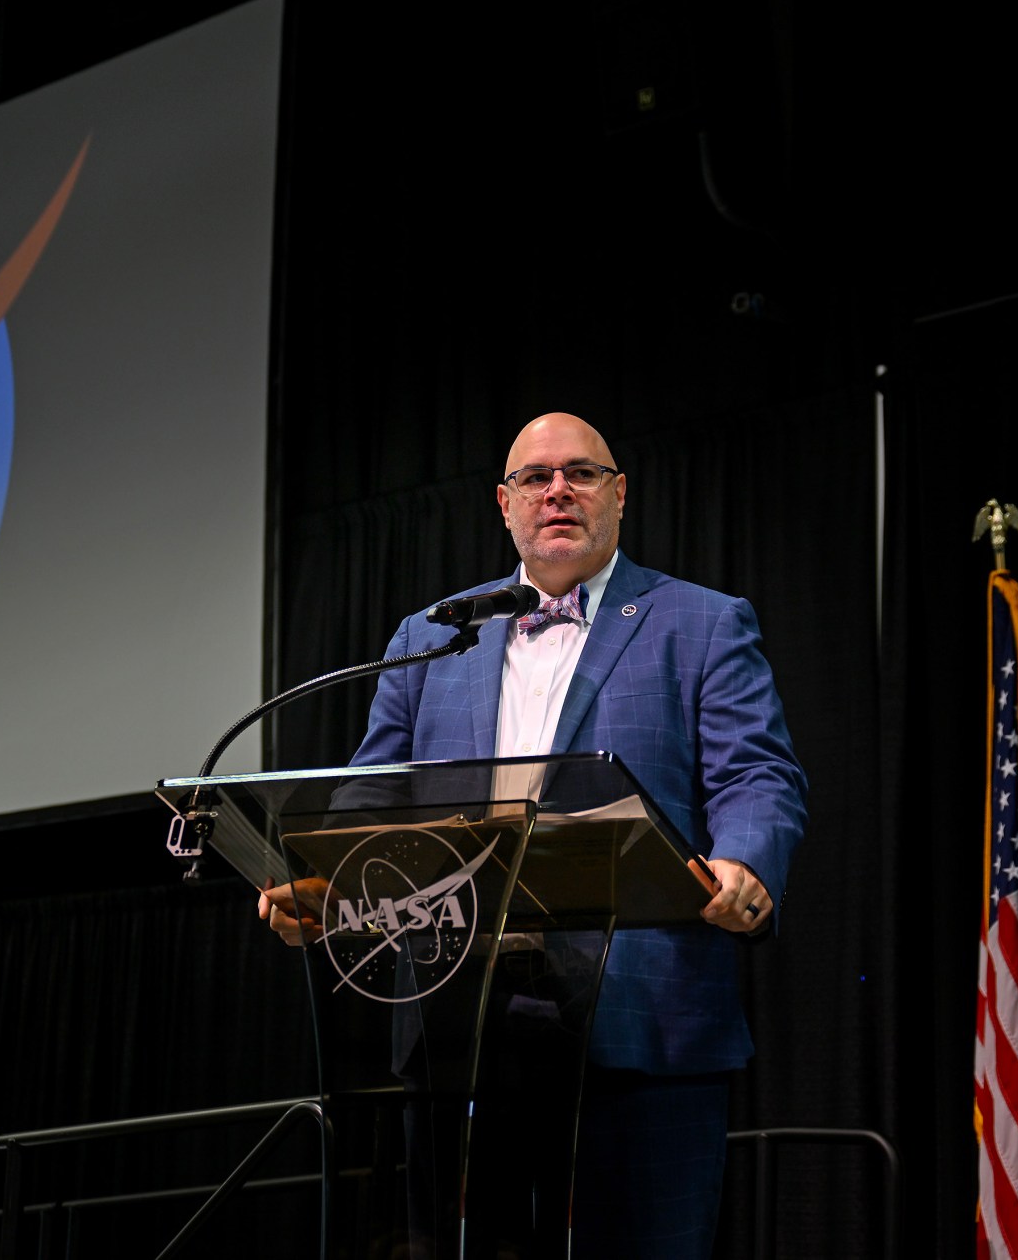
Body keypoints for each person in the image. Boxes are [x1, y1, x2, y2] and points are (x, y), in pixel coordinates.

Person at [260, 412, 807, 1259]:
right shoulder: (430, 636)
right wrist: (324, 882)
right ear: (504, 505)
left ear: (619, 494)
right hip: (461, 1028)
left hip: (641, 1021)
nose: (558, 490)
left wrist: (743, 860)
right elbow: (375, 794)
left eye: (581, 473)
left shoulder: (701, 622)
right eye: (536, 478)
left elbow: (758, 775)